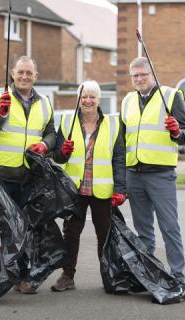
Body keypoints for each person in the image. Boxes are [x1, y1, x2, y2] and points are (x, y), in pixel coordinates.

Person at [120, 57, 185, 299]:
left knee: (169, 228)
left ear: (152, 73)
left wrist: (176, 132)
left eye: (143, 74)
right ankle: (147, 276)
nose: (139, 79)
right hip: (134, 173)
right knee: (143, 232)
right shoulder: (128, 100)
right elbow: (122, 140)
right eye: (135, 76)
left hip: (161, 174)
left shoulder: (171, 96)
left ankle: (179, 279)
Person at [0, 56, 56, 294]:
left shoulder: (44, 103)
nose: (24, 77)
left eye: (29, 73)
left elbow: (52, 133)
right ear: (12, 73)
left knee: (24, 229)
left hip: (29, 177)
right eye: (20, 72)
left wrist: (45, 144)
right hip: (0, 177)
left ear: (36, 76)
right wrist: (0, 114)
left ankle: (22, 276)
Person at [51, 80, 126, 292]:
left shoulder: (112, 124)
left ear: (99, 99)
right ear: (78, 99)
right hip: (75, 189)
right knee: (71, 233)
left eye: (92, 96)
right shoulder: (66, 121)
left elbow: (119, 158)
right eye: (84, 96)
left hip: (102, 189)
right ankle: (67, 276)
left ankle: (108, 276)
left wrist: (120, 188)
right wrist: (63, 151)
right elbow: (57, 156)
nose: (88, 100)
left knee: (104, 234)